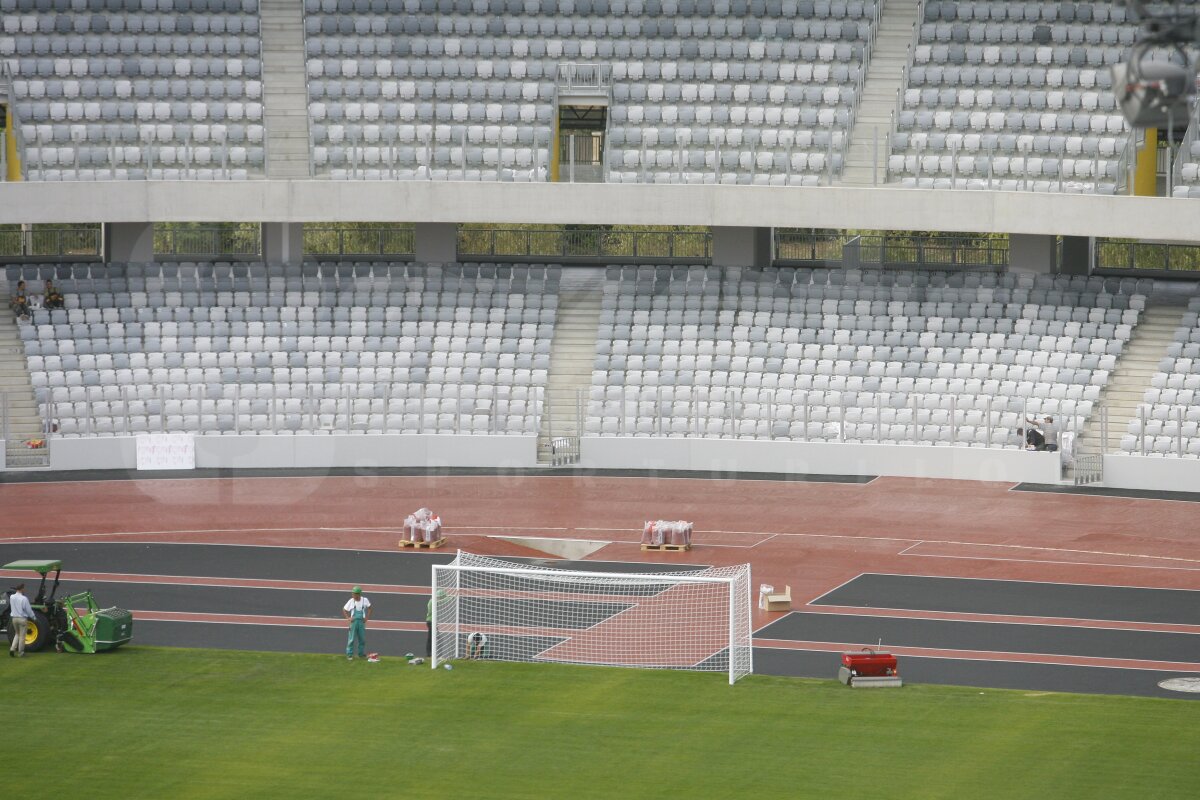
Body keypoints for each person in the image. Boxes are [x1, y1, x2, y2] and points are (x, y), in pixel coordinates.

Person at [342, 585, 371, 660]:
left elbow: (370, 608)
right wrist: (348, 618)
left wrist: (366, 618)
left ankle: (361, 654)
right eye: (353, 593)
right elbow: (344, 609)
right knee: (351, 639)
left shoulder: (365, 600)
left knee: (362, 639)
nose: (353, 595)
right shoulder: (351, 601)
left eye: (355, 594)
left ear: (359, 594)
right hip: (354, 622)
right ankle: (349, 654)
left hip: (361, 623)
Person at [8, 583, 34, 658]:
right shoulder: (24, 598)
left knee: (17, 634)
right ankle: (21, 652)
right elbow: (28, 610)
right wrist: (33, 617)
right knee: (22, 636)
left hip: (14, 618)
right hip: (22, 619)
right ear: (22, 589)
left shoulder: (11, 597)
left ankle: (12, 649)